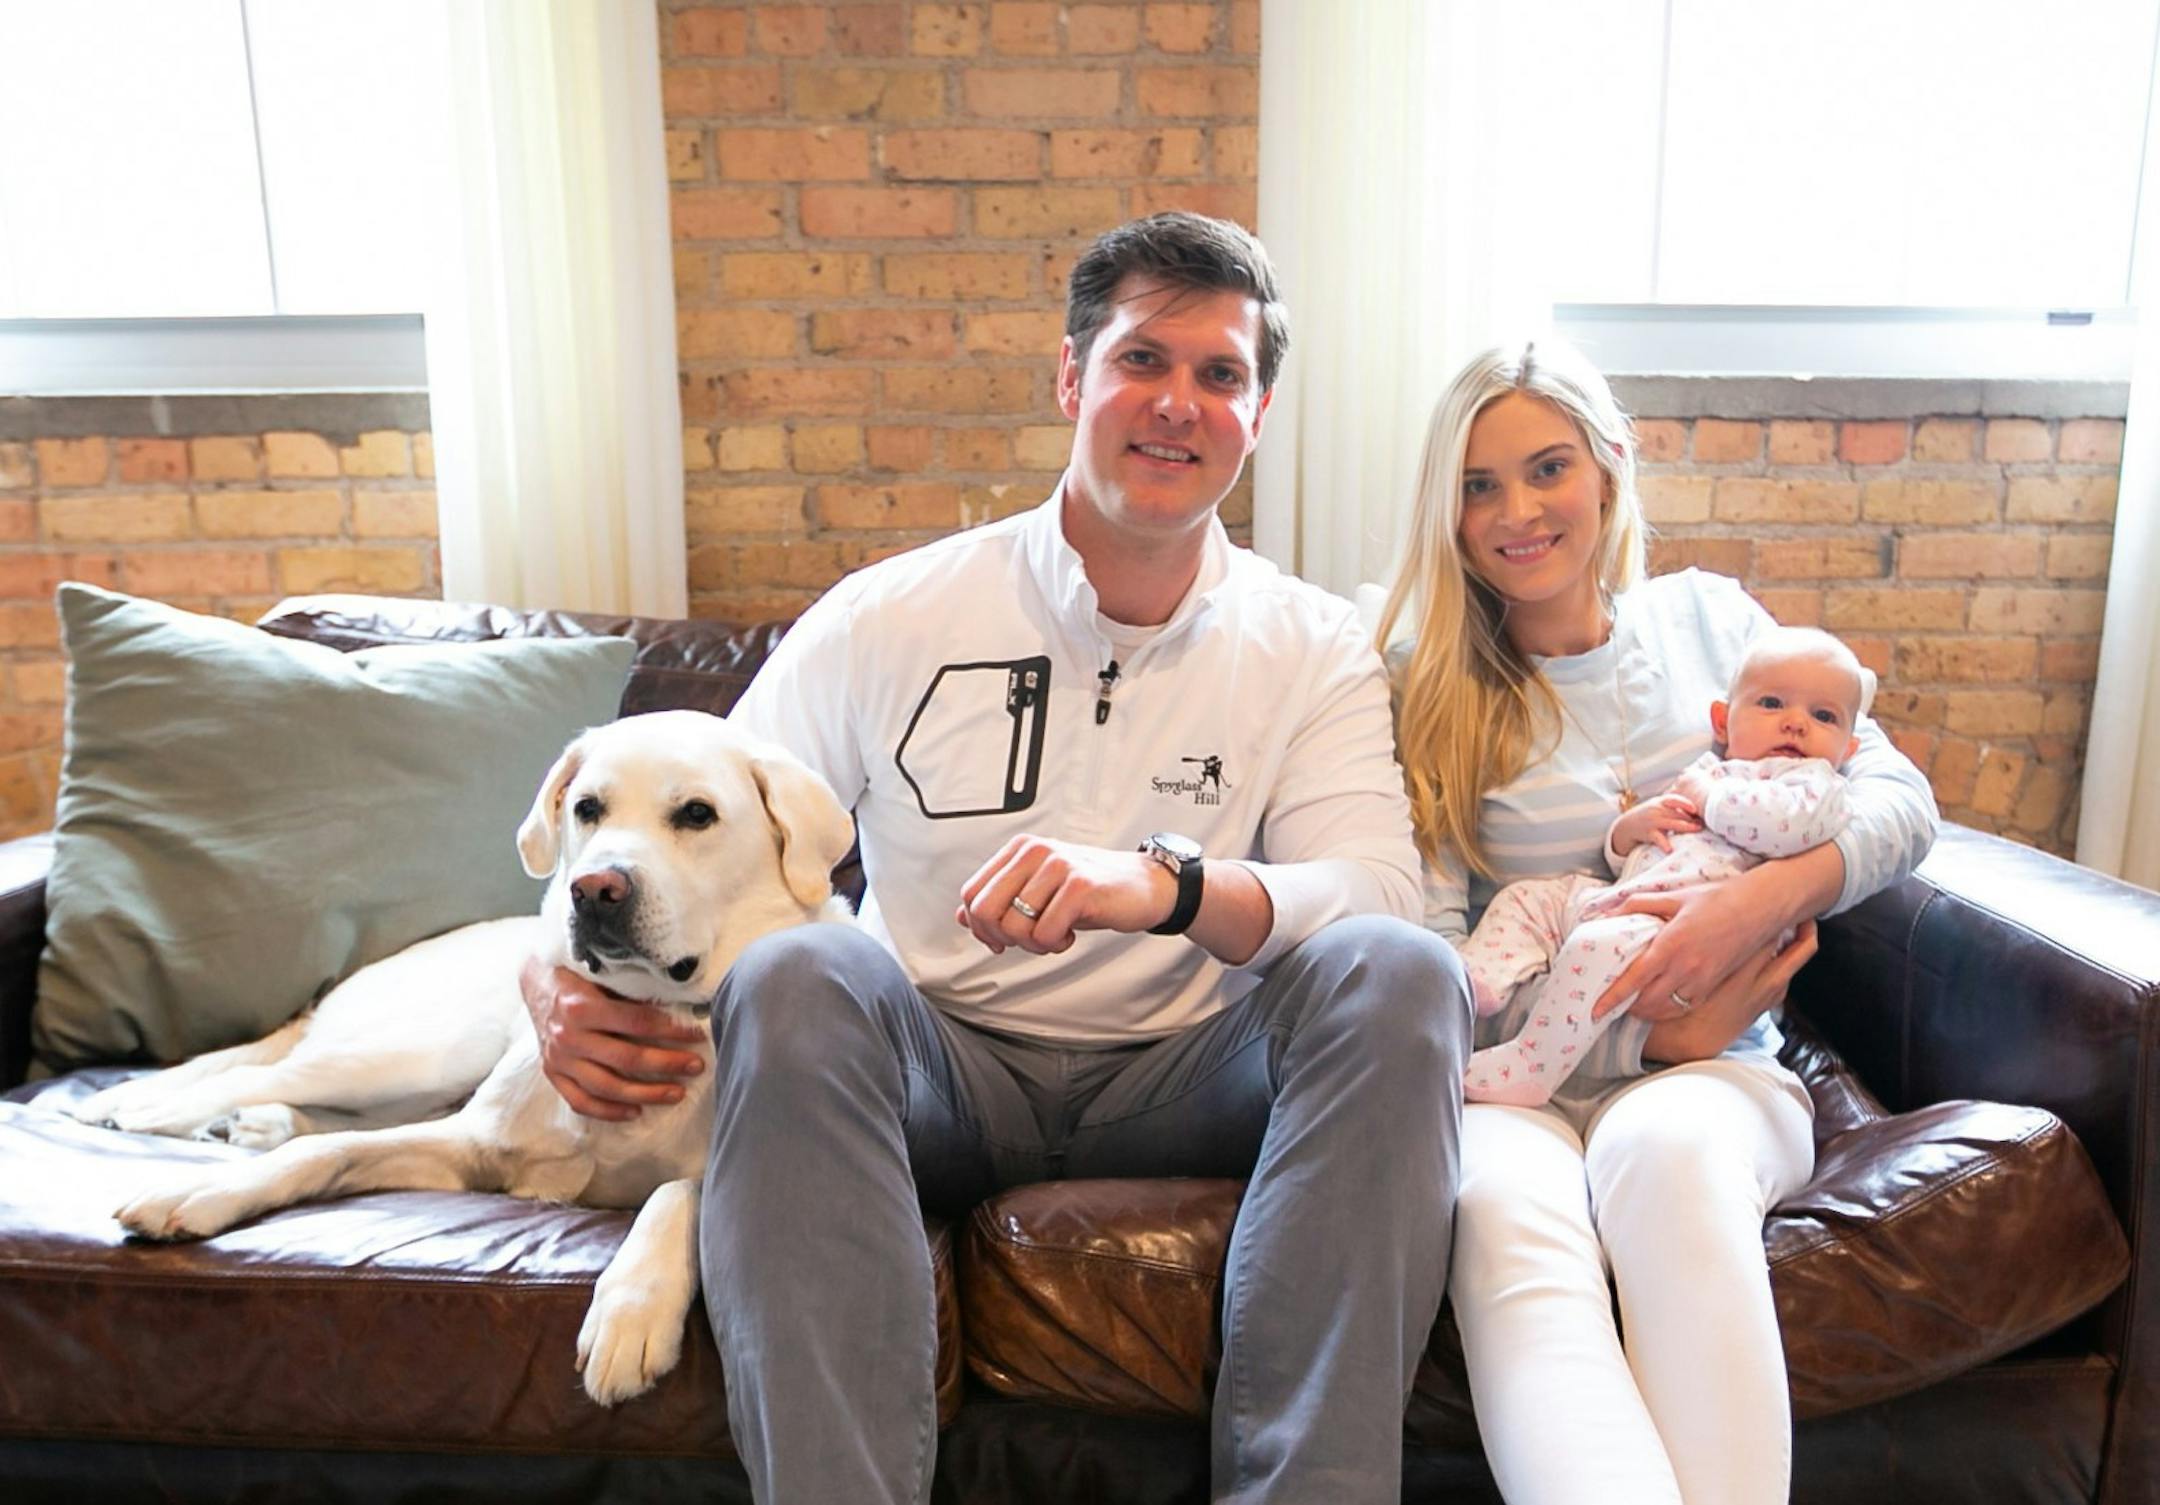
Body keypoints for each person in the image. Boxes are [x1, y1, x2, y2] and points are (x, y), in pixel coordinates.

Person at [523, 212, 1472, 1504]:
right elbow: (676, 823)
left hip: (1196, 1069)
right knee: (797, 977)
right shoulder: (893, 613)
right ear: (1073, 379)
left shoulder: (1309, 644)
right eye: (1144, 360)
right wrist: (552, 983)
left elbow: (1375, 890)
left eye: (1222, 375)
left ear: (1257, 415)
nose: (1180, 403)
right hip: (937, 1066)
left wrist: (1167, 886)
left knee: (1400, 973)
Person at [1372, 339, 1935, 1505]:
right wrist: (1641, 1038)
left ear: (1610, 467)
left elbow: (1898, 800)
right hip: (1517, 1078)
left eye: (1546, 468)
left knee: (1664, 1155)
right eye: (1479, 485)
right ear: (1448, 510)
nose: (1517, 511)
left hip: (1723, 1067)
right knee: (1508, 1221)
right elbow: (1425, 950)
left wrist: (1763, 899)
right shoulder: (1420, 680)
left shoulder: (1715, 623)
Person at [1461, 627, 1874, 1106]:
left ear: (1847, 749)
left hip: (1679, 933)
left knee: (1594, 946)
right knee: (1529, 898)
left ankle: (1535, 1064)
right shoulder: (1713, 769)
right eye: (1772, 704)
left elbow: (1782, 827)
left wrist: (1711, 799)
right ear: (1723, 721)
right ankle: (1480, 984)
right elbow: (1639, 851)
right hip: (1624, 895)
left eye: (1824, 716)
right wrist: (1627, 832)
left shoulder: (1815, 786)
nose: (1796, 723)